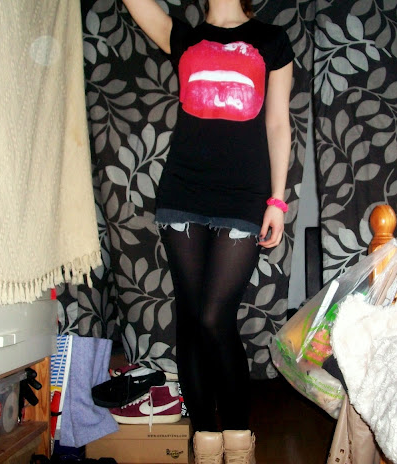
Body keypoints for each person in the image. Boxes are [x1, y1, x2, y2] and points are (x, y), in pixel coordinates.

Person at [121, 0, 294, 462]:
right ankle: (205, 441)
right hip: (183, 190)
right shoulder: (183, 36)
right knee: (193, 318)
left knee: (216, 317)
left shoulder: (271, 40)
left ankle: (239, 440)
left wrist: (277, 199)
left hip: (244, 193)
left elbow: (278, 123)